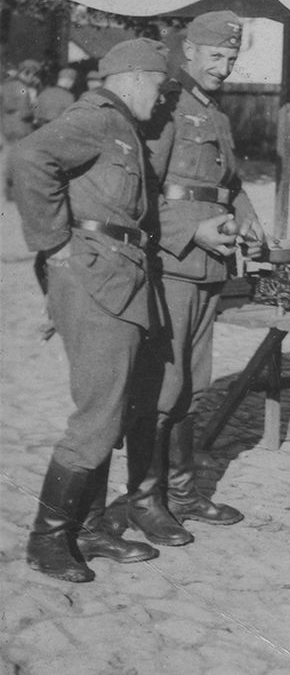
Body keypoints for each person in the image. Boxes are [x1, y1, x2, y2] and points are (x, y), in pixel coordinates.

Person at [13, 39, 170, 582]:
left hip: (119, 278)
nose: (163, 94)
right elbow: (31, 156)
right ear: (131, 78)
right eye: (158, 83)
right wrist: (52, 244)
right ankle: (47, 541)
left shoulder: (125, 126)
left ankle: (90, 529)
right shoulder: (99, 118)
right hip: (96, 279)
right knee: (98, 414)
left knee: (113, 408)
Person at [106, 11, 265, 547]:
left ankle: (184, 493)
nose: (223, 66)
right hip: (172, 263)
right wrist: (191, 233)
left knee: (192, 385)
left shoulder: (213, 112)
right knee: (162, 385)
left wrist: (247, 214)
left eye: (231, 58)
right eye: (215, 56)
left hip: (207, 268)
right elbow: (143, 188)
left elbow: (228, 181)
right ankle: (144, 501)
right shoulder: (167, 106)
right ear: (188, 52)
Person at [1, 59, 41, 199]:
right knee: (17, 158)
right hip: (20, 127)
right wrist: (34, 108)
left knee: (8, 156)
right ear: (27, 73)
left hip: (6, 126)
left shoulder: (6, 85)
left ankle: (8, 188)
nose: (34, 78)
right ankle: (13, 190)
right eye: (33, 75)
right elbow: (25, 112)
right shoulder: (22, 88)